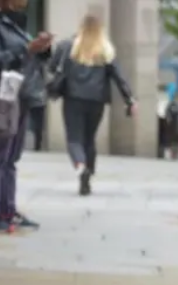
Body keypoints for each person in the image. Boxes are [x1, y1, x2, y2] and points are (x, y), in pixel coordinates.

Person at [0, 0, 52, 231]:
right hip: (0, 95)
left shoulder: (12, 23)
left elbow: (27, 57)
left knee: (10, 158)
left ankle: (6, 209)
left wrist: (41, 49)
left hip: (19, 95)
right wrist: (27, 49)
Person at [48, 14, 136, 196]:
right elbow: (119, 76)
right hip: (97, 101)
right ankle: (89, 172)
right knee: (89, 138)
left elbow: (52, 67)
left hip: (73, 98)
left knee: (74, 138)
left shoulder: (68, 46)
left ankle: (81, 166)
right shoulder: (105, 50)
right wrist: (130, 99)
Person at [161, 93, 178, 160]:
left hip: (171, 126)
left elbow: (166, 116)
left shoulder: (169, 105)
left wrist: (167, 124)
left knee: (170, 141)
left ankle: (170, 155)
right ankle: (177, 155)